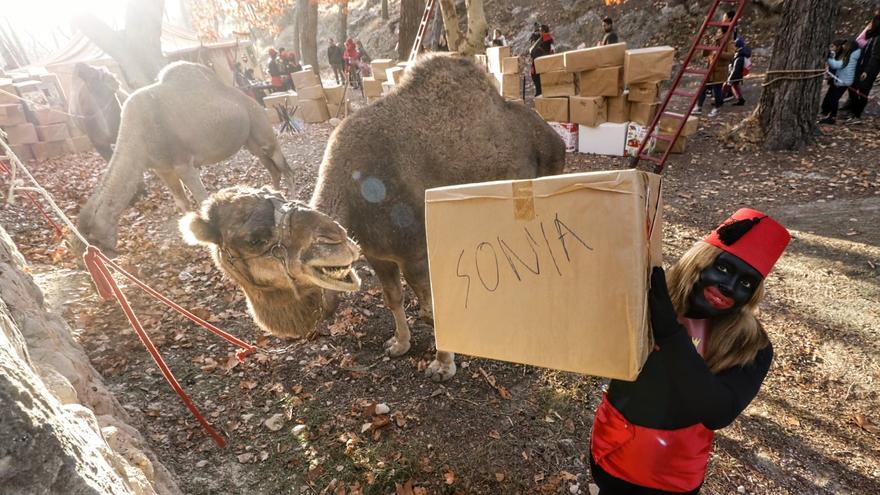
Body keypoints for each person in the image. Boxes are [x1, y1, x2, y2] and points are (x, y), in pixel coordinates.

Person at [590, 208, 791, 495]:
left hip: (668, 475)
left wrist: (670, 333)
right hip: (609, 449)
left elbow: (718, 412)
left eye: (746, 283)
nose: (729, 288)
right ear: (699, 261)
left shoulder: (750, 346)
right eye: (723, 268)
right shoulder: (646, 298)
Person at [847, 14, 880, 123]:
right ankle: (853, 112)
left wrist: (867, 71)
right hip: (860, 65)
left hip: (871, 68)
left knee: (863, 91)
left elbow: (875, 56)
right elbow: (861, 46)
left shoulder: (878, 37)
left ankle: (857, 115)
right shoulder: (871, 34)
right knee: (851, 86)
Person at [695, 27, 734, 117]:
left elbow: (731, 55)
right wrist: (706, 43)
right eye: (717, 32)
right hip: (710, 69)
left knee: (717, 90)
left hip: (720, 70)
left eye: (719, 32)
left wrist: (719, 53)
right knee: (703, 88)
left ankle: (717, 107)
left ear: (724, 33)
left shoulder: (730, 42)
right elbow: (705, 54)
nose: (717, 34)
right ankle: (699, 106)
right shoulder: (714, 41)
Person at [820, 40, 861, 124]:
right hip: (843, 79)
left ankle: (832, 117)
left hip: (843, 81)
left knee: (834, 99)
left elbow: (836, 65)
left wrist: (829, 56)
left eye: (845, 45)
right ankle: (830, 115)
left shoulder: (848, 57)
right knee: (832, 97)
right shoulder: (852, 55)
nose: (843, 47)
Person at [529, 24, 554, 96]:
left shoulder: (546, 38)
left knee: (538, 81)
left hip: (541, 63)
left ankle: (539, 96)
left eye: (540, 31)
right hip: (540, 62)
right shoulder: (544, 38)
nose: (539, 32)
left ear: (543, 31)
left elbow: (551, 51)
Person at [723, 38, 748, 106]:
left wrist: (730, 78)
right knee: (735, 86)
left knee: (726, 86)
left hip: (735, 75)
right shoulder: (741, 54)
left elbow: (735, 69)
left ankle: (719, 99)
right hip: (738, 75)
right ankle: (741, 100)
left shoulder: (739, 57)